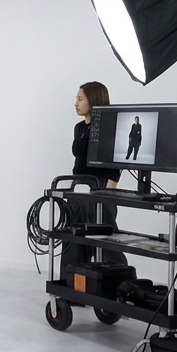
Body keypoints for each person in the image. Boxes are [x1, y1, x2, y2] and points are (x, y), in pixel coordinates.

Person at [63, 81, 124, 271]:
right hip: (79, 188)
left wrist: (108, 192)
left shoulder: (108, 128)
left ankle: (118, 280)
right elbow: (79, 160)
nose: (76, 103)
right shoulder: (79, 128)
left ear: (93, 100)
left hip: (100, 187)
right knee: (74, 236)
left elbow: (115, 164)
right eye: (76, 99)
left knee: (105, 239)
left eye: (80, 99)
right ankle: (72, 279)